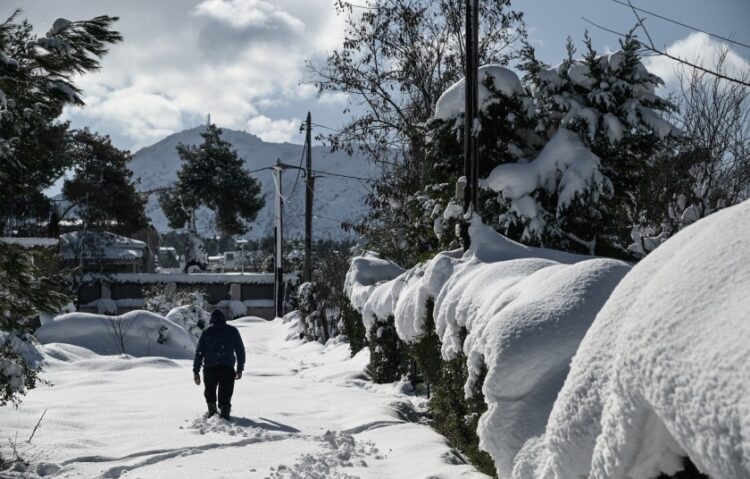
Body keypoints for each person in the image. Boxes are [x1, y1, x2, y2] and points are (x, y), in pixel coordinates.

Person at [193, 309, 245, 420]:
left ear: (212, 319)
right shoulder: (232, 331)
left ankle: (212, 412)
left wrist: (196, 371)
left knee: (210, 392)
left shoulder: (207, 331)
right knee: (225, 393)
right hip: (227, 369)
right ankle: (225, 414)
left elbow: (199, 352)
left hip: (210, 369)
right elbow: (240, 351)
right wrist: (239, 369)